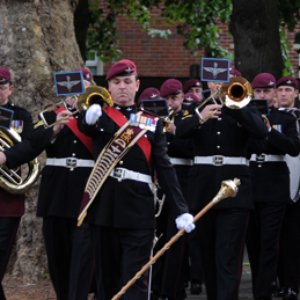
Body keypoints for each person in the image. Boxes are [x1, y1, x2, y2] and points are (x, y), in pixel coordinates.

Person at [78, 59, 195, 300]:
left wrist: (181, 209)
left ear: (137, 85)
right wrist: (88, 117)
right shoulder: (99, 116)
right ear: (108, 86)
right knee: (106, 283)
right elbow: (85, 127)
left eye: (127, 82)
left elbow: (164, 167)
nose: (122, 87)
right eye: (117, 82)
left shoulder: (151, 123)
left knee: (135, 282)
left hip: (138, 210)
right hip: (104, 209)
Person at [0, 67, 97, 300]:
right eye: (75, 85)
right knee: (58, 256)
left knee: (84, 257)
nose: (78, 91)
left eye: (84, 85)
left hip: (86, 192)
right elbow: (32, 143)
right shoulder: (50, 115)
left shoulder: (98, 117)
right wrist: (54, 129)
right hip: (56, 195)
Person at [175, 77, 268, 300]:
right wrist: (200, 117)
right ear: (208, 85)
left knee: (228, 257)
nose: (219, 87)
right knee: (208, 257)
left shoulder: (246, 106)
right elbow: (179, 132)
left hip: (235, 194)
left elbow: (260, 131)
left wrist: (233, 105)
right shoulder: (195, 108)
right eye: (216, 82)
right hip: (203, 191)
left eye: (225, 83)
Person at [246, 73, 300, 300]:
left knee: (269, 242)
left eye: (267, 91)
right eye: (258, 91)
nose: (262, 95)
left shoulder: (284, 119)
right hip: (250, 183)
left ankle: (263, 291)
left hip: (274, 184)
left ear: (274, 93)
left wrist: (269, 130)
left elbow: (293, 147)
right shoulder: (245, 118)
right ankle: (260, 283)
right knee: (254, 242)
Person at [0, 67, 34, 300]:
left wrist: (6, 156)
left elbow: (30, 147)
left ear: (10, 88)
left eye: (1, 86)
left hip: (7, 200)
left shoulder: (21, 116)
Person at [276, 76, 300, 300]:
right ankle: (282, 282)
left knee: (294, 240)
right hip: (278, 185)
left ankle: (293, 283)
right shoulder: (270, 117)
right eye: (280, 89)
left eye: (288, 90)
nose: (283, 93)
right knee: (280, 239)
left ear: (296, 94)